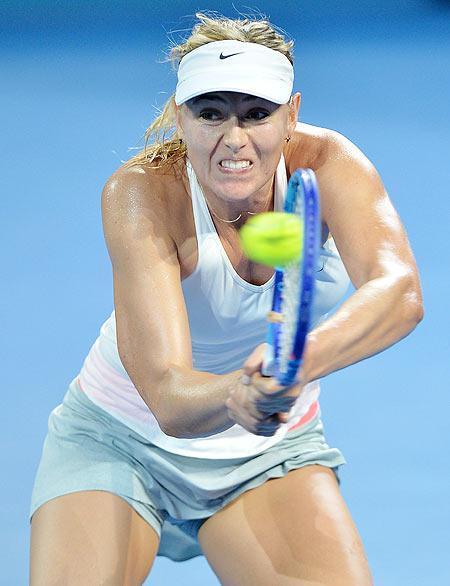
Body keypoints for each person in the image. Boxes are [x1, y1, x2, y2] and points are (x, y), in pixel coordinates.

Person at [29, 12, 423, 586]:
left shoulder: (327, 165)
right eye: (210, 113)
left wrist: (295, 365)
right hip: (120, 441)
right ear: (180, 118)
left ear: (291, 115)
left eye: (257, 114)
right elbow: (168, 397)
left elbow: (401, 291)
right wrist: (241, 391)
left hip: (271, 454)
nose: (233, 139)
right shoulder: (142, 193)